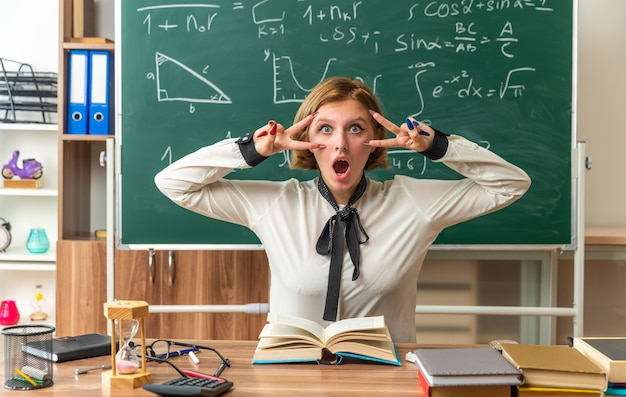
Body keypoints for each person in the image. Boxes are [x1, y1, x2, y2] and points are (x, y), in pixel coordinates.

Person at [154, 76, 531, 343]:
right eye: (325, 130)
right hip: (289, 380)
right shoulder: (276, 203)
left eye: (355, 129)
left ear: (375, 142)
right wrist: (252, 149)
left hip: (388, 380)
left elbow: (512, 185)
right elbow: (172, 183)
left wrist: (439, 146)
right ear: (305, 142)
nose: (340, 145)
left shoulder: (413, 203)